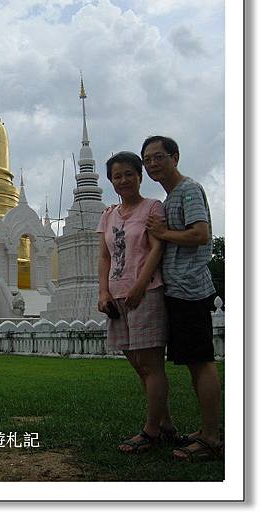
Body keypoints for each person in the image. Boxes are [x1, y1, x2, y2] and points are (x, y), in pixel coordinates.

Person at [141, 135, 223, 462]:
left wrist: (162, 234)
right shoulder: (171, 196)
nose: (152, 164)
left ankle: (212, 438)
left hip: (191, 288)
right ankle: (206, 431)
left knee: (201, 362)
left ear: (175, 157)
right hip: (177, 288)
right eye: (147, 160)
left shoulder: (188, 190)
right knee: (193, 362)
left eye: (158, 157)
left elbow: (201, 234)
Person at [97, 151, 177, 453]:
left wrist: (140, 286)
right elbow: (105, 256)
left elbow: (157, 249)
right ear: (111, 182)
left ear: (139, 176)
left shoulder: (152, 207)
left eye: (129, 174)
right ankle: (166, 423)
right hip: (116, 298)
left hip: (146, 292)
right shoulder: (108, 215)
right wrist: (103, 292)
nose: (123, 180)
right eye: (117, 176)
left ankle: (151, 430)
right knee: (137, 365)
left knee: (152, 364)